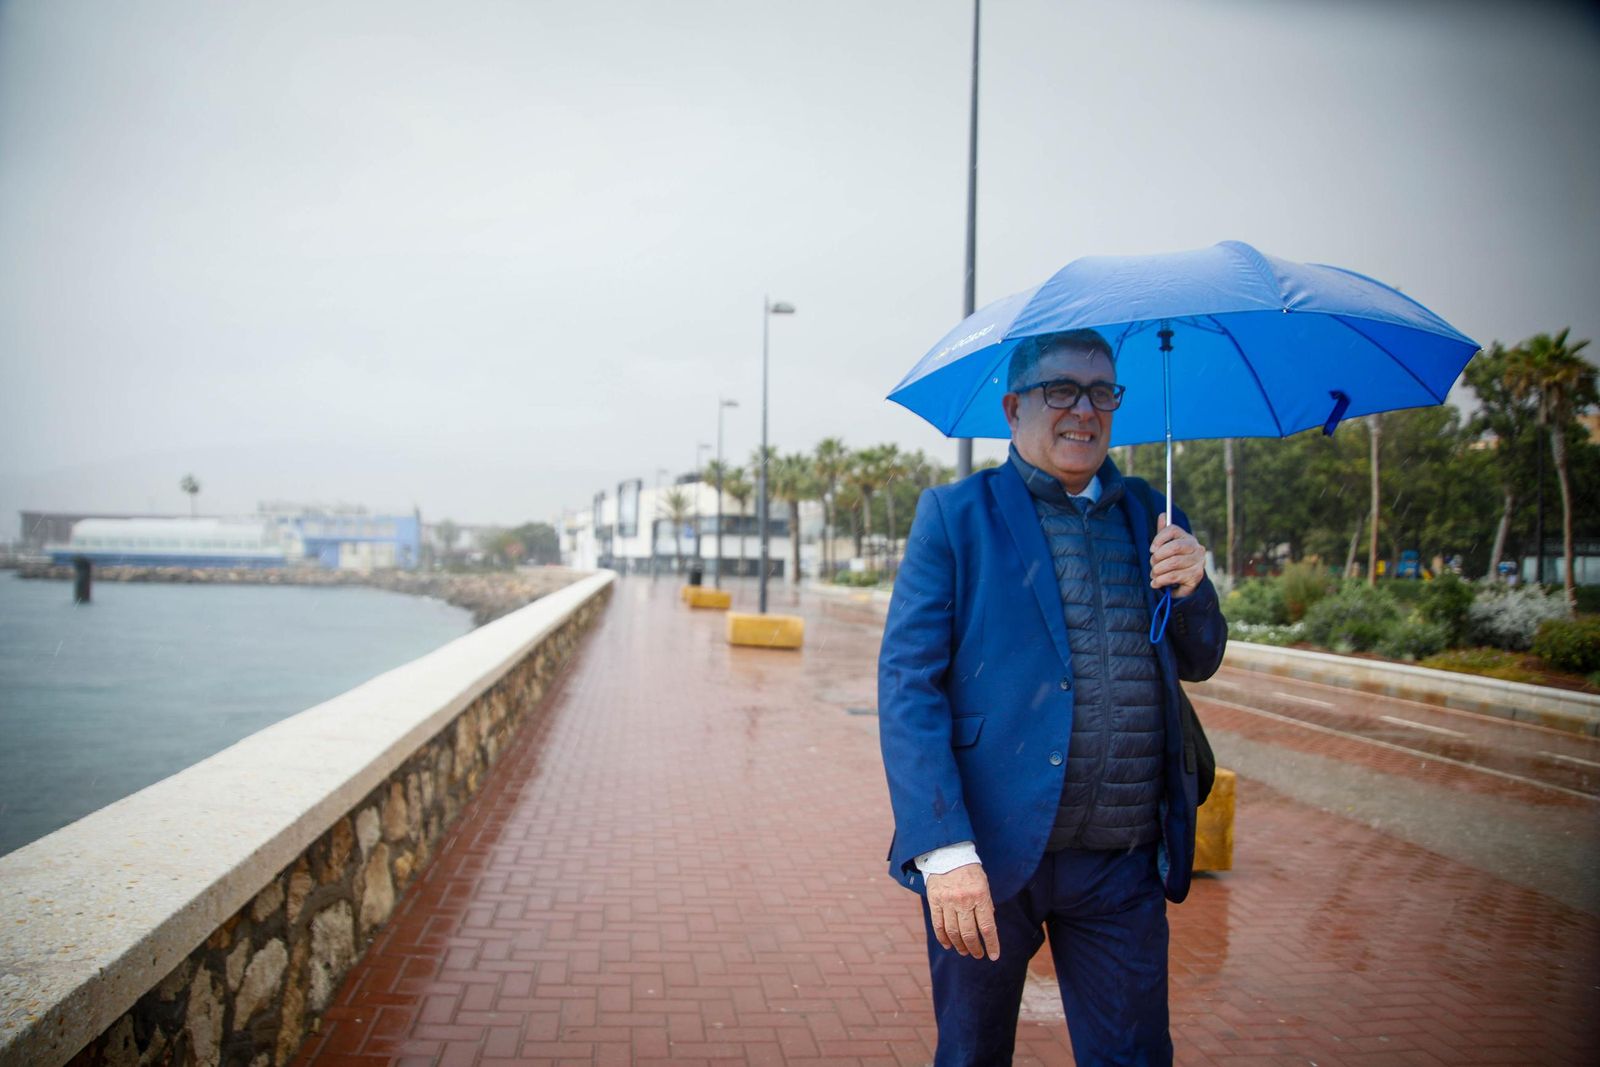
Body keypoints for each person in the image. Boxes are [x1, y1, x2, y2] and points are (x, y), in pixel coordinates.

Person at [878, 329, 1227, 1065]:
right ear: (1013, 408)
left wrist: (1196, 588)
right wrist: (943, 852)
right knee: (972, 1055)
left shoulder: (1155, 517)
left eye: (1103, 391)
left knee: (1135, 1056)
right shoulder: (955, 517)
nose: (1084, 409)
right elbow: (908, 687)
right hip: (991, 857)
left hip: (1121, 860)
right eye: (1061, 389)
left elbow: (1201, 659)